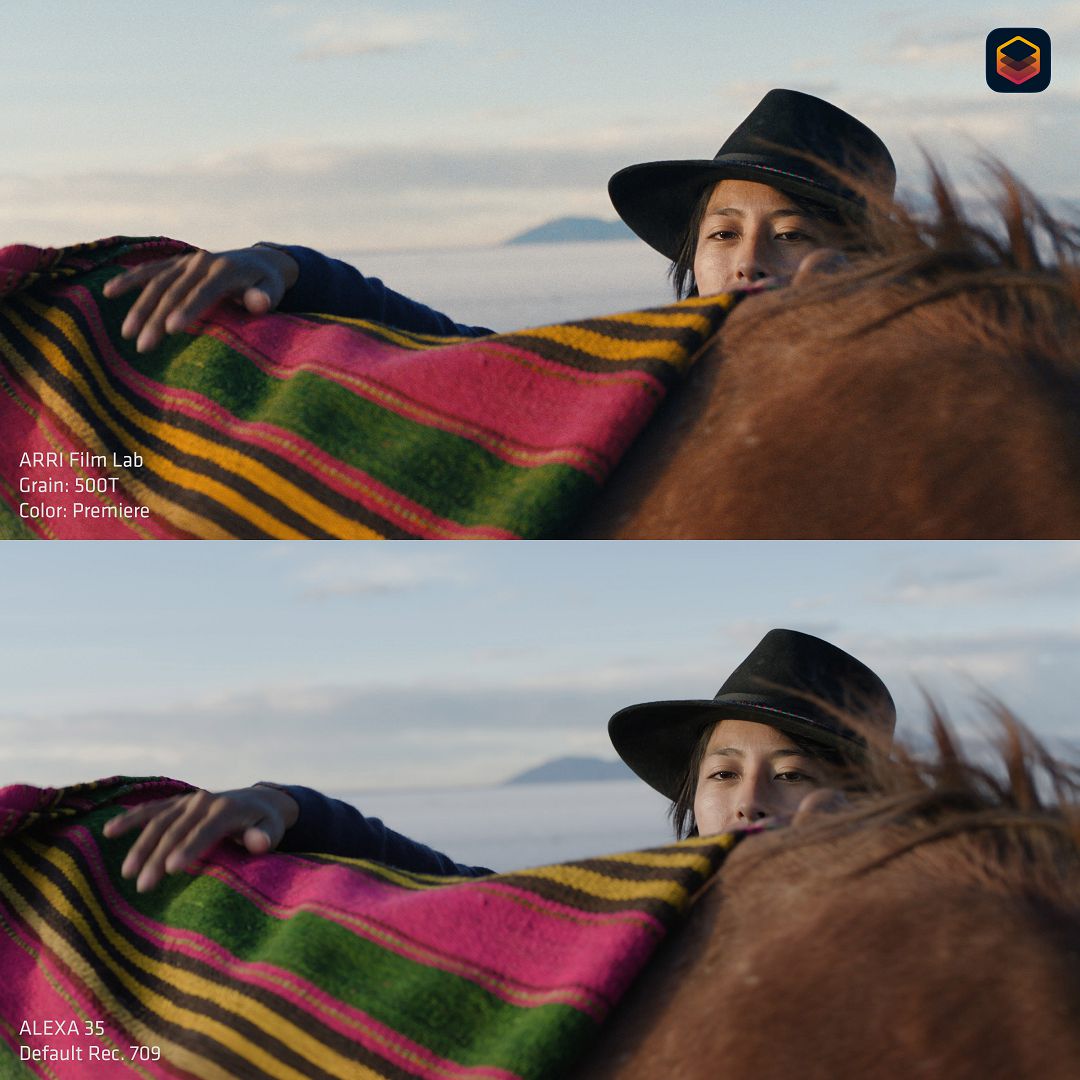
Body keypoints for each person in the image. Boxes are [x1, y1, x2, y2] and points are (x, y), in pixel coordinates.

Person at [101, 89, 894, 353]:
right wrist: (285, 266)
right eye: (722, 233)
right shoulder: (625, 386)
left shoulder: (936, 423)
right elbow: (452, 356)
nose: (748, 260)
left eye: (792, 235)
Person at [104, 627, 894, 892]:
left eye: (792, 775)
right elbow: (455, 899)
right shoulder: (633, 923)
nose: (748, 800)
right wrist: (290, 809)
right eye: (722, 772)